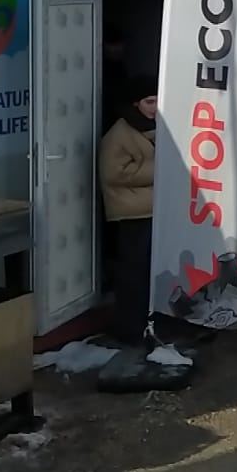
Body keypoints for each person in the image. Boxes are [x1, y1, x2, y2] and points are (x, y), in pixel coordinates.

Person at [98, 76, 157, 345]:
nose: (155, 106)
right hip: (131, 212)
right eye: (149, 101)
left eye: (157, 100)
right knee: (133, 271)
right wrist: (161, 168)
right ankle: (129, 326)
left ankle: (142, 321)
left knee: (145, 270)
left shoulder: (149, 127)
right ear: (136, 103)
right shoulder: (120, 132)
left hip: (149, 208)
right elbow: (113, 173)